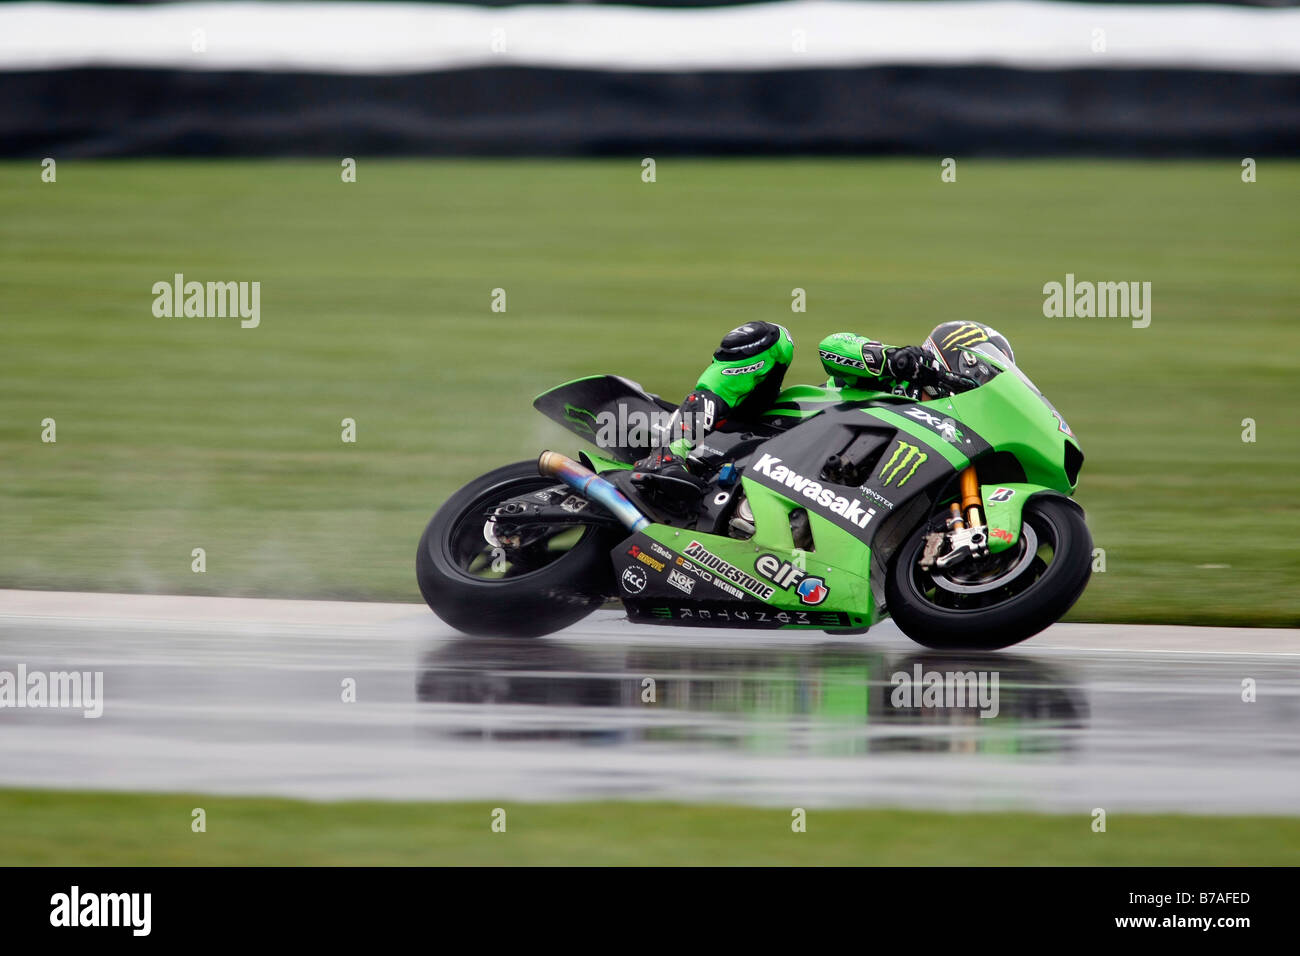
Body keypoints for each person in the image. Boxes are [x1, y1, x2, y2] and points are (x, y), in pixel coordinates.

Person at [632, 320, 1012, 503]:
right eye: (984, 368)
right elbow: (834, 345)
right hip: (763, 430)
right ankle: (670, 451)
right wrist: (893, 360)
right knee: (771, 338)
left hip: (811, 492)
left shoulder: (948, 432)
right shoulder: (899, 374)